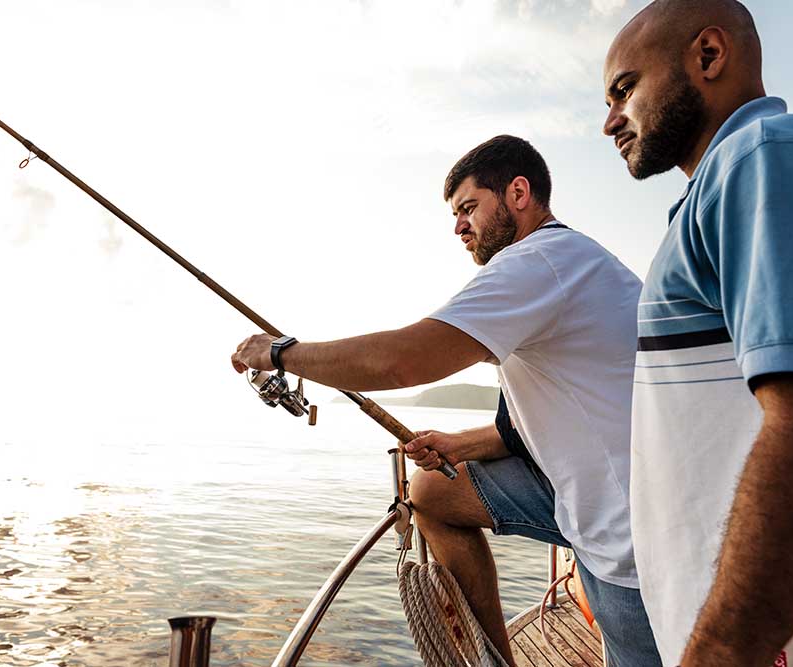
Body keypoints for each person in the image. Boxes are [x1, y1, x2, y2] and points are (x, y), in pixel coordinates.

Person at [231, 135, 660, 666]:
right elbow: (549, 421)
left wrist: (280, 353)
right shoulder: (568, 264)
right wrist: (460, 443)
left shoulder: (538, 262)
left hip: (633, 535)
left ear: (519, 193)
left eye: (469, 208)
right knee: (433, 489)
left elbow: (402, 361)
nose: (459, 226)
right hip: (605, 496)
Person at [602, 1, 793, 665]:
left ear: (707, 56)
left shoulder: (764, 159)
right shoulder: (727, 185)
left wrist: (722, 649)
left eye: (624, 90)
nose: (609, 121)